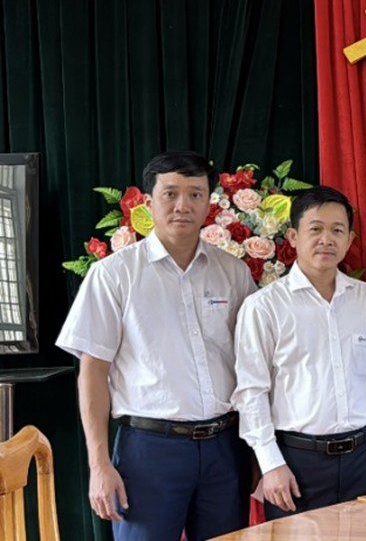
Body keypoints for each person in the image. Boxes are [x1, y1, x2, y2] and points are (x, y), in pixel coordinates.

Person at [56, 151, 255, 541]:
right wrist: (99, 465)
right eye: (170, 193)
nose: (183, 205)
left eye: (195, 194)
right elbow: (92, 371)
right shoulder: (114, 275)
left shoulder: (233, 272)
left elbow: (253, 364)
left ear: (209, 203)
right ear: (148, 202)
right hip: (149, 451)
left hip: (225, 448)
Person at [233, 185, 366, 518]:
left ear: (350, 239)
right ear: (293, 237)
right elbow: (251, 391)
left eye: (337, 230)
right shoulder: (264, 307)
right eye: (315, 229)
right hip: (298, 463)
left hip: (365, 460)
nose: (326, 239)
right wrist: (270, 464)